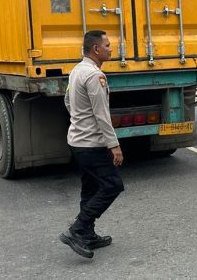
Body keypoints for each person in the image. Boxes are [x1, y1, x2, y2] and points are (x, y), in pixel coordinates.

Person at [60, 30, 124, 259]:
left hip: (77, 141)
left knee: (89, 188)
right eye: (107, 45)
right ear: (96, 49)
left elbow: (68, 100)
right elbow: (101, 114)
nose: (111, 48)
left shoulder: (76, 70)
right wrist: (113, 145)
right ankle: (78, 228)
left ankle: (87, 234)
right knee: (113, 185)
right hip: (91, 144)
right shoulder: (95, 76)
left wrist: (79, 119)